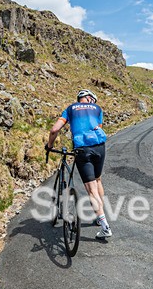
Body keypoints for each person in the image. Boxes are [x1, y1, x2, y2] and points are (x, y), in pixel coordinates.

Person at [45, 89, 112, 239]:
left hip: (82, 149)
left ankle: (105, 226)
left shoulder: (70, 108)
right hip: (100, 147)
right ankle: (99, 214)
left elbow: (54, 129)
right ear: (90, 99)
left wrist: (49, 145)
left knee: (91, 189)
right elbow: (97, 129)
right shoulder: (98, 109)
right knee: (98, 179)